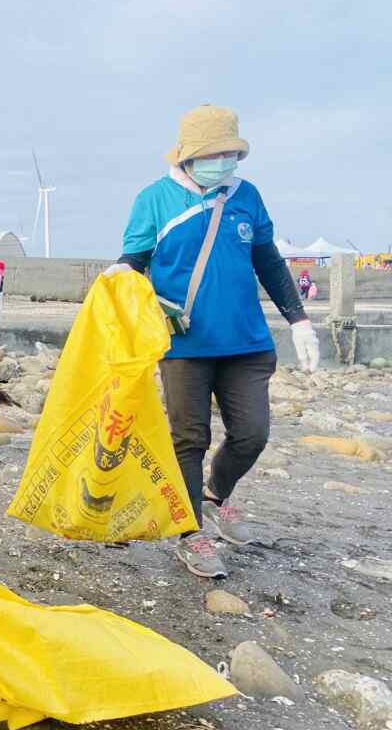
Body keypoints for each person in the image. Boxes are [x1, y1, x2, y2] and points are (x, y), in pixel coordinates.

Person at [104, 104, 320, 579]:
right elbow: (134, 259)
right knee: (189, 438)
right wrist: (120, 280)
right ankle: (190, 534)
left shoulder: (247, 196)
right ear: (188, 156)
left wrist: (299, 319)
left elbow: (268, 260)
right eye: (214, 153)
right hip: (184, 345)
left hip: (246, 341)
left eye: (230, 153)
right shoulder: (156, 199)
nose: (224, 161)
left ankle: (215, 495)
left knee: (252, 434)